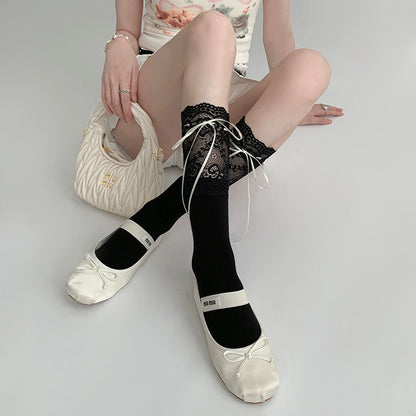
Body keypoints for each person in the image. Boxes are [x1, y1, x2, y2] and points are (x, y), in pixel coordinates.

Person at [66, 0, 344, 403]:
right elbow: (127, 28)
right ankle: (214, 267)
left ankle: (157, 214)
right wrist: (120, 43)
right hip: (149, 104)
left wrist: (290, 98)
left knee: (311, 68)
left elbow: (278, 36)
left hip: (217, 109)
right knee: (213, 26)